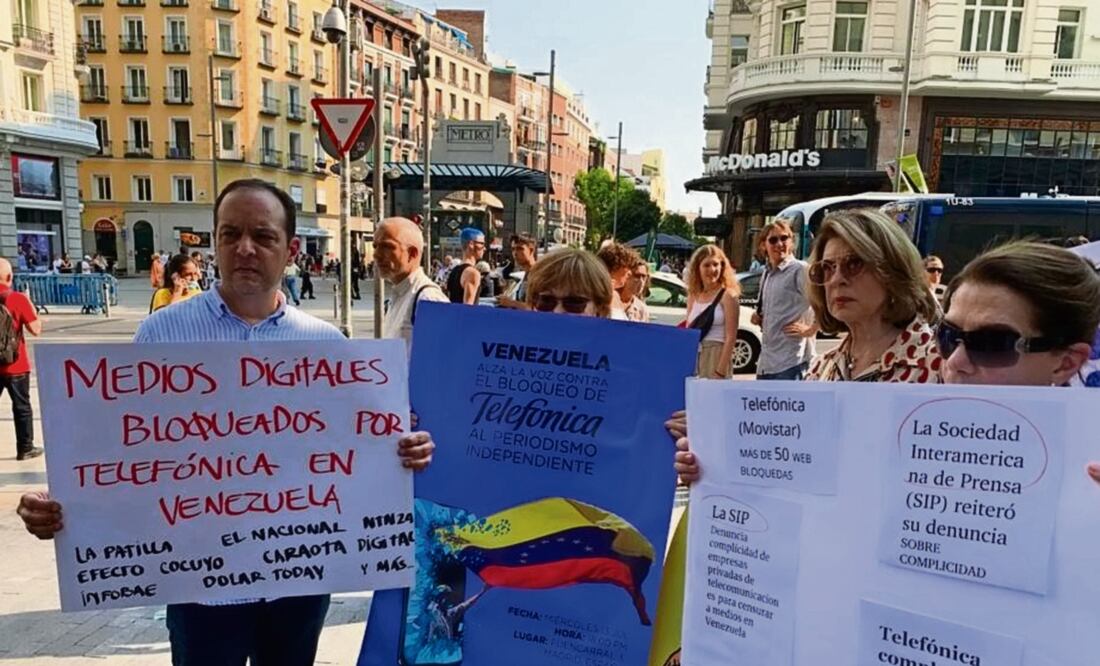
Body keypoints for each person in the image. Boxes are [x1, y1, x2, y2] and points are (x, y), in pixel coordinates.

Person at [15, 179, 435, 666]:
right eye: (230, 234)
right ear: (214, 242)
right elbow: (115, 450)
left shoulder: (328, 345)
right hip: (200, 591)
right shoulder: (161, 334)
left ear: (291, 250)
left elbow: (363, 447)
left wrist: (406, 453)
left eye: (264, 236)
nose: (245, 248)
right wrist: (59, 504)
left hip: (298, 583)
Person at [804, 209, 942, 382]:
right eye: (827, 267)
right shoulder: (820, 369)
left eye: (854, 263)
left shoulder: (941, 366)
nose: (836, 279)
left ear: (891, 272)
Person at [752, 220, 816, 380]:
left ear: (792, 241)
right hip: (766, 362)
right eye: (773, 240)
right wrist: (760, 317)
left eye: (784, 238)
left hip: (791, 362)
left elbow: (824, 303)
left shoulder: (800, 270)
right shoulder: (766, 273)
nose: (779, 244)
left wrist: (810, 329)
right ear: (763, 245)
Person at [375, 217, 448, 347]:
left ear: (412, 253)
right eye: (375, 246)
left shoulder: (428, 298)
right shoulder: (400, 293)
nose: (376, 254)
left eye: (387, 247)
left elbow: (444, 352)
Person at [0, 258, 42, 460]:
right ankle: (25, 448)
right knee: (22, 407)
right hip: (16, 365)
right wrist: (30, 305)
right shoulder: (17, 299)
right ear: (9, 277)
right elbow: (36, 329)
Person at [685, 244, 740, 379]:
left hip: (716, 355)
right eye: (706, 265)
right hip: (695, 357)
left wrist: (720, 371)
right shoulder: (693, 295)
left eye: (716, 264)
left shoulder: (728, 295)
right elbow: (688, 329)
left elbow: (731, 338)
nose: (712, 269)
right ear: (698, 268)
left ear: (722, 267)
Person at [596, 241, 642, 320]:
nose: (630, 273)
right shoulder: (594, 293)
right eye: (627, 266)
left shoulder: (615, 295)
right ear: (615, 266)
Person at [497, 233, 537, 310]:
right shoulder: (526, 274)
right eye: (513, 249)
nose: (515, 253)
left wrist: (511, 303)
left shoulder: (538, 275)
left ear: (531, 250)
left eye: (520, 249)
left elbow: (538, 309)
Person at [447, 228, 485, 304]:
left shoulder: (454, 270)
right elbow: (467, 307)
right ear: (471, 244)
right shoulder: (472, 273)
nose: (484, 248)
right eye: (482, 244)